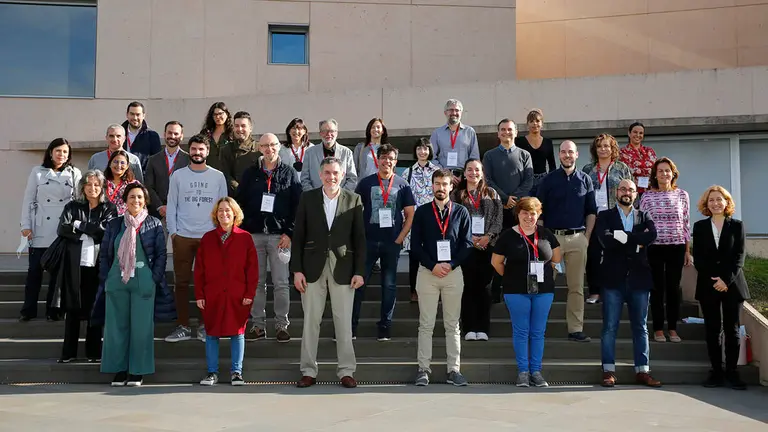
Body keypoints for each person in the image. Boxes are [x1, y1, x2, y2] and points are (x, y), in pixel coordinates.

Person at [292, 157, 366, 389]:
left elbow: (360, 239)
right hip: (312, 268)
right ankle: (308, 371)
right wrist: (297, 270)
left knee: (343, 323)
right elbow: (298, 237)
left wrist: (360, 271)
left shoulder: (354, 200)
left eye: (335, 173)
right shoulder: (307, 198)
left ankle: (346, 371)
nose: (331, 177)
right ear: (320, 174)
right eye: (327, 173)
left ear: (342, 175)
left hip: (343, 269)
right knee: (310, 323)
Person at [92, 183, 175, 387]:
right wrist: (106, 279)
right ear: (125, 200)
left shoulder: (154, 224)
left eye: (139, 197)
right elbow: (104, 254)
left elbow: (161, 254)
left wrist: (153, 278)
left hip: (143, 280)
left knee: (141, 328)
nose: (136, 201)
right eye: (131, 197)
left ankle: (138, 371)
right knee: (115, 328)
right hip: (117, 279)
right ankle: (119, 370)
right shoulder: (114, 224)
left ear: (145, 200)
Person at [595, 179, 662, 388]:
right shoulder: (605, 216)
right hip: (613, 279)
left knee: (640, 327)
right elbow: (605, 239)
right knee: (609, 327)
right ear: (617, 192)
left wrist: (623, 237)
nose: (627, 192)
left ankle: (643, 371)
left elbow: (651, 235)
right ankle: (608, 371)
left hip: (639, 279)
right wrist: (636, 241)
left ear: (636, 194)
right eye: (623, 189)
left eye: (631, 190)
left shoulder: (644, 215)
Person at [236, 133, 302, 342]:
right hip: (254, 236)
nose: (269, 149)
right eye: (264, 145)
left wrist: (289, 233)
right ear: (259, 148)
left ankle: (282, 325)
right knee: (256, 283)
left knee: (281, 283)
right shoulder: (250, 173)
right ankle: (258, 326)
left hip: (280, 237)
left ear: (279, 147)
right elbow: (240, 204)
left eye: (273, 145)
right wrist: (244, 232)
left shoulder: (289, 173)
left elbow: (298, 206)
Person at [410, 169, 473, 387]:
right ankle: (423, 369)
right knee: (426, 324)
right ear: (432, 186)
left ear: (451, 186)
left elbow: (467, 244)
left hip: (453, 274)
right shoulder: (422, 212)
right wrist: (433, 265)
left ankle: (454, 370)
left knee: (452, 324)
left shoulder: (461, 212)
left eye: (444, 184)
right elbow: (415, 246)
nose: (440, 188)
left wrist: (451, 264)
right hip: (428, 273)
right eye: (437, 184)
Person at [164, 135, 229, 343]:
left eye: (201, 149)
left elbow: (224, 208)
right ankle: (182, 326)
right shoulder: (178, 176)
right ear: (189, 150)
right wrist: (173, 232)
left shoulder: (218, 176)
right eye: (193, 149)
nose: (197, 153)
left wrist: (221, 235)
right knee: (181, 283)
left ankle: (205, 325)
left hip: (209, 237)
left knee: (209, 283)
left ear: (207, 152)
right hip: (182, 236)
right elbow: (171, 204)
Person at [491, 197, 560, 387]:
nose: (529, 217)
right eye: (525, 213)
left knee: (538, 332)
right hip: (516, 291)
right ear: (518, 214)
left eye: (533, 213)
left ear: (538, 214)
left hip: (543, 291)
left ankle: (536, 371)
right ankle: (523, 372)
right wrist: (512, 277)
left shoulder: (546, 234)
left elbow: (556, 258)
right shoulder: (507, 236)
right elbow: (496, 262)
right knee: (521, 331)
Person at [352, 144, 416, 341]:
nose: (387, 161)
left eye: (391, 158)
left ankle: (385, 326)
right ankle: (351, 327)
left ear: (395, 162)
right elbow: (354, 211)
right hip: (368, 241)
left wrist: (400, 238)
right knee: (358, 284)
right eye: (384, 157)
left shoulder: (402, 184)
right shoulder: (365, 183)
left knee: (389, 286)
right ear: (378, 160)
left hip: (391, 243)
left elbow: (410, 214)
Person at [536, 141, 597, 342]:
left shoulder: (586, 180)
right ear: (559, 155)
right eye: (563, 152)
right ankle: (538, 328)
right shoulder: (548, 180)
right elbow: (539, 211)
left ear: (577, 155)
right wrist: (543, 237)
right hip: (551, 238)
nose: (567, 155)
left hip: (577, 238)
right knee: (543, 285)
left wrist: (586, 237)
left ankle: (575, 329)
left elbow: (591, 211)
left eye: (570, 152)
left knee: (576, 286)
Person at [195, 197, 258, 386]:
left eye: (228, 210)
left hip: (237, 294)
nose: (224, 214)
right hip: (212, 293)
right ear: (216, 214)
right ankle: (212, 372)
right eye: (221, 210)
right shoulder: (207, 238)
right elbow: (199, 269)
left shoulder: (245, 238)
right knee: (212, 333)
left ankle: (236, 372)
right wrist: (199, 294)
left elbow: (252, 269)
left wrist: (249, 293)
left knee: (237, 332)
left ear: (235, 213)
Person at [56, 170, 118, 363]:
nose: (92, 188)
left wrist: (79, 225)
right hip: (74, 264)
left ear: (102, 188)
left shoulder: (109, 208)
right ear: (83, 186)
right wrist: (88, 228)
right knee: (72, 308)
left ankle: (93, 353)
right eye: (89, 184)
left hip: (98, 265)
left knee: (95, 308)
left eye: (96, 185)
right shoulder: (72, 206)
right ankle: (69, 353)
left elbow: (105, 232)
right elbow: (62, 229)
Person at [693, 186, 750, 390]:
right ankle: (716, 372)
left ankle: (732, 372)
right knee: (712, 329)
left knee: (732, 329)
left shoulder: (737, 226)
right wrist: (714, 280)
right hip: (708, 286)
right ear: (706, 204)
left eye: (719, 199)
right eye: (711, 200)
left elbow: (739, 257)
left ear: (727, 202)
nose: (715, 203)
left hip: (732, 286)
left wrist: (725, 280)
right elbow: (698, 258)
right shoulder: (699, 227)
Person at [19, 138, 82, 322]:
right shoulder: (37, 172)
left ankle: (52, 310)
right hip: (40, 228)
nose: (61, 155)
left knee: (57, 274)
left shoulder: (74, 173)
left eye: (65, 152)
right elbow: (28, 200)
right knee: (34, 272)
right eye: (58, 151)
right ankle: (28, 310)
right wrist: (25, 225)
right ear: (50, 152)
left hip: (62, 229)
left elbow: (78, 200)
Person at [639, 157, 691, 343]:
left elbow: (686, 224)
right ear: (655, 174)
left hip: (676, 247)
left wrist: (687, 251)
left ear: (673, 173)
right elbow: (643, 225)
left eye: (667, 170)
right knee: (657, 289)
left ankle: (673, 328)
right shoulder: (646, 197)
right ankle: (659, 328)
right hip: (654, 248)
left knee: (673, 288)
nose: (664, 174)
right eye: (660, 171)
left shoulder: (682, 195)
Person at [453, 159, 503, 341]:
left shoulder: (492, 193)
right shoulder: (457, 195)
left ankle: (482, 327)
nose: (473, 173)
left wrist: (488, 237)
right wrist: (470, 239)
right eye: (469, 170)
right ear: (464, 173)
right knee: (467, 288)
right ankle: (468, 327)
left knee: (484, 288)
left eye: (477, 170)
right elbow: (453, 221)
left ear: (482, 173)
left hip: (487, 247)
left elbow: (498, 219)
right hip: (466, 248)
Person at [582, 134, 633, 304]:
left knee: (618, 253)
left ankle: (618, 290)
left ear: (613, 149)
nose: (603, 149)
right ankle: (595, 292)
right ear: (595, 150)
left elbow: (631, 192)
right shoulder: (588, 169)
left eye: (606, 146)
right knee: (593, 255)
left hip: (615, 216)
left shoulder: (622, 168)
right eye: (599, 146)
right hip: (594, 218)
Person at [401, 138, 440, 303]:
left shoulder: (437, 171)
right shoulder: (407, 172)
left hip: (433, 220)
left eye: (425, 148)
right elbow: (402, 199)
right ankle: (414, 291)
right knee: (414, 258)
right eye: (419, 148)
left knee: (433, 255)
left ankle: (435, 290)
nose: (422, 152)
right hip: (413, 221)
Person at [483, 118, 533, 228]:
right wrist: (504, 199)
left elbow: (529, 181)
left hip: (519, 209)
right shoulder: (489, 156)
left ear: (516, 132)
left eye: (510, 129)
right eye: (503, 129)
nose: (506, 132)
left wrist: (513, 199)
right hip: (496, 207)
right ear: (498, 133)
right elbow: (487, 180)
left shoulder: (525, 155)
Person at [145, 121, 189, 220]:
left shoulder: (188, 159)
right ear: (164, 134)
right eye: (169, 133)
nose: (172, 136)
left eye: (176, 134)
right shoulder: (153, 159)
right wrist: (160, 206)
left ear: (181, 136)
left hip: (182, 212)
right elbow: (148, 186)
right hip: (158, 214)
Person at [430, 99, 480, 183]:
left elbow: (474, 158)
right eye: (451, 110)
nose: (454, 113)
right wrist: (446, 173)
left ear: (461, 113)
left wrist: (465, 174)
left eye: (457, 110)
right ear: (445, 113)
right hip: (443, 178)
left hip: (464, 178)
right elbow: (432, 158)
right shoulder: (437, 133)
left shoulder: (470, 132)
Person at [300, 119, 357, 191]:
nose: (328, 134)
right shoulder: (310, 153)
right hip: (316, 199)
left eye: (332, 131)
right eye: (325, 131)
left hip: (341, 199)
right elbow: (304, 179)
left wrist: (341, 196)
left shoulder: (346, 152)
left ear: (336, 133)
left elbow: (352, 178)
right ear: (320, 133)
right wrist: (313, 196)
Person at [515, 109, 556, 196]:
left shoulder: (548, 142)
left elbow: (552, 165)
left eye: (537, 121)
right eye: (531, 121)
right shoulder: (519, 141)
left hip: (543, 180)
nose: (535, 123)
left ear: (542, 124)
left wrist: (551, 181)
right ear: (527, 124)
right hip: (525, 180)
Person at [221, 111, 260, 196]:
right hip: (234, 197)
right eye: (236, 126)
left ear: (250, 128)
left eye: (243, 126)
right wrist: (239, 189)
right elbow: (225, 175)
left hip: (255, 196)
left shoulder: (259, 148)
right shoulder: (226, 149)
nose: (240, 129)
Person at [121, 101, 162, 172]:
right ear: (127, 115)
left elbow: (157, 162)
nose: (135, 118)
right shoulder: (119, 134)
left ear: (143, 115)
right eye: (132, 114)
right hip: (121, 178)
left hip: (142, 179)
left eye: (138, 114)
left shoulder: (152, 136)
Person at [619, 122, 656, 200]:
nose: (638, 135)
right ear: (629, 133)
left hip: (650, 192)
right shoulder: (622, 152)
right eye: (635, 132)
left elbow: (656, 170)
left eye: (641, 133)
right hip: (631, 193)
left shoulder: (649, 151)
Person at [199, 101, 234, 172]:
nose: (218, 117)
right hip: (208, 173)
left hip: (228, 174)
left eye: (220, 113)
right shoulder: (205, 133)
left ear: (226, 114)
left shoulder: (232, 133)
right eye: (215, 115)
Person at [104, 150, 140, 216]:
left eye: (122, 163)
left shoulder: (134, 185)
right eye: (115, 162)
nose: (119, 165)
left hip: (127, 221)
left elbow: (141, 205)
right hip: (104, 220)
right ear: (110, 164)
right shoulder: (101, 183)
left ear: (127, 166)